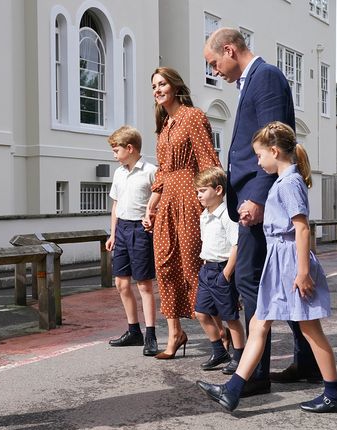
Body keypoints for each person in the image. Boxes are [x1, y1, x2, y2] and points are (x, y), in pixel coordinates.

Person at [197, 121, 337, 414]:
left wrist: (303, 271)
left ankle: (334, 393)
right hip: (279, 260)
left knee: (310, 329)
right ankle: (233, 390)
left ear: (275, 151)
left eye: (259, 155)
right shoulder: (283, 181)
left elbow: (301, 229)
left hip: (290, 261)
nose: (257, 161)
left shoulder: (290, 182)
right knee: (258, 323)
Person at [203, 27, 320, 391]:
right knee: (279, 283)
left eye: (214, 63)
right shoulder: (250, 81)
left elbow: (276, 140)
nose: (215, 71)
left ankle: (253, 376)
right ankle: (308, 364)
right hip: (252, 196)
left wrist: (256, 195)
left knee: (251, 281)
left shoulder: (266, 76)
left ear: (230, 50)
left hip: (260, 199)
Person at [143, 67, 221, 359]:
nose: (157, 89)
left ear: (175, 86)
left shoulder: (193, 116)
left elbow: (208, 160)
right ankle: (175, 333)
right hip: (167, 201)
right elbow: (162, 170)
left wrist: (212, 201)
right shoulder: (164, 125)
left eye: (162, 84)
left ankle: (220, 332)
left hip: (190, 196)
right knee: (164, 264)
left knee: (193, 266)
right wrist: (152, 202)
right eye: (154, 86)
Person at [105, 126, 159, 356]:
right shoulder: (118, 173)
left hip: (140, 230)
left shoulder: (150, 171)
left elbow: (159, 201)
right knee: (121, 283)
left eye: (116, 150)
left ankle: (151, 335)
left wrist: (151, 217)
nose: (114, 154)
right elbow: (115, 205)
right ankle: (133, 330)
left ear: (130, 148)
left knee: (144, 284)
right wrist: (113, 233)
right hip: (123, 229)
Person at [193, 167, 246, 371]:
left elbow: (236, 245)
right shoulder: (204, 215)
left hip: (222, 270)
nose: (199, 195)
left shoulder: (227, 215)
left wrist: (226, 274)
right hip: (207, 269)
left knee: (230, 317)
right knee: (201, 313)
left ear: (218, 190)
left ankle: (239, 356)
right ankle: (219, 351)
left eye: (203, 190)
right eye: (197, 191)